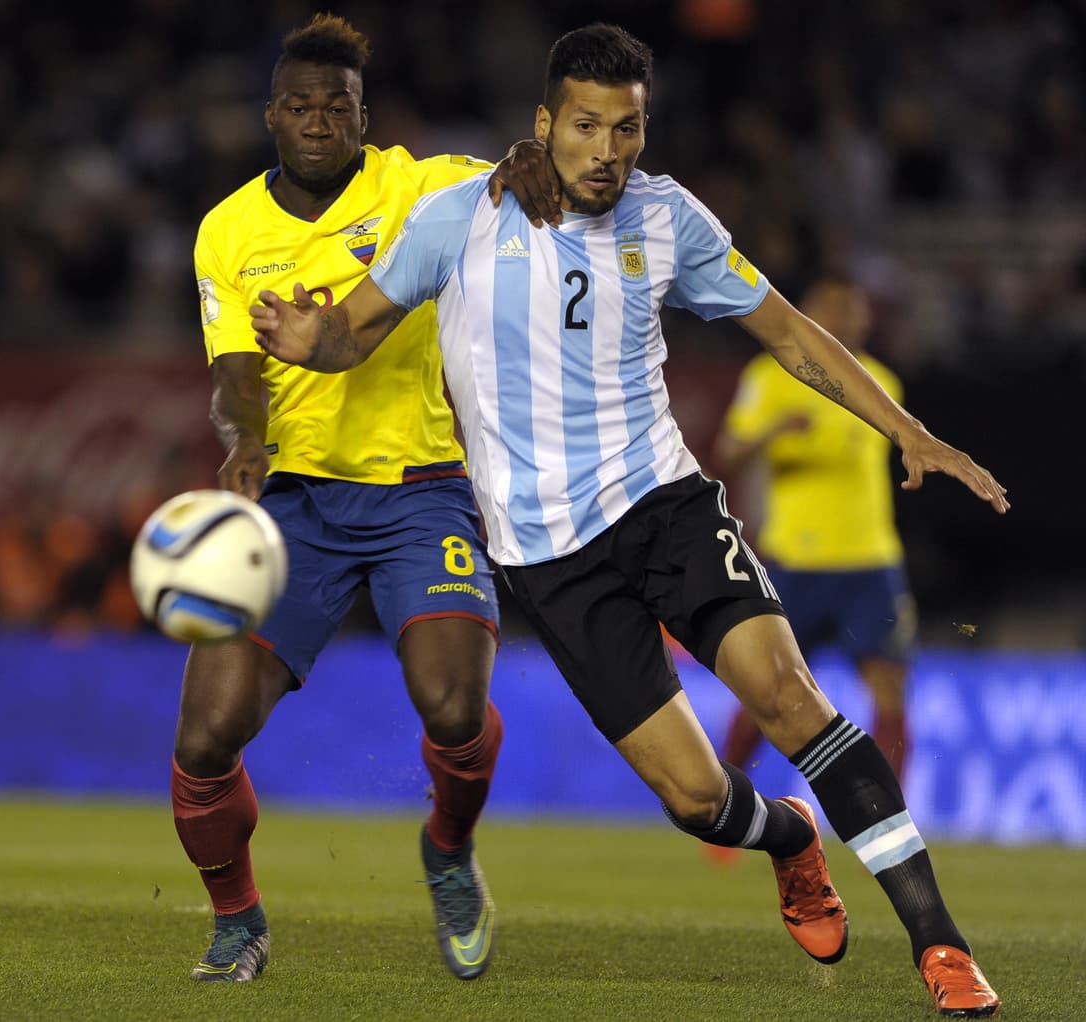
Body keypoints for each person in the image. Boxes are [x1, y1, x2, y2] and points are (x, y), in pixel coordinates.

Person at [252, 23, 1004, 1018]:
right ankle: (786, 837)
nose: (607, 149)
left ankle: (941, 947)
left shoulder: (668, 218)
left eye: (626, 128)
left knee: (788, 695)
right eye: (584, 126)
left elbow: (783, 329)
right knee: (697, 802)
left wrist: (907, 429)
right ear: (542, 125)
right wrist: (309, 339)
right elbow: (351, 330)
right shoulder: (456, 221)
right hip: (549, 561)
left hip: (665, 507)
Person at [174, 13, 558, 986]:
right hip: (294, 501)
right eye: (298, 106)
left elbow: (508, 173)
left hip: (417, 492)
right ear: (270, 116)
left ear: (361, 116)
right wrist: (246, 444)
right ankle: (235, 918)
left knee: (453, 704)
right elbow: (232, 371)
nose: (316, 122)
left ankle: (447, 851)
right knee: (205, 736)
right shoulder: (227, 229)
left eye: (334, 107)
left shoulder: (416, 184)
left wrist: (528, 159)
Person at [714, 276, 915, 789]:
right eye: (831, 306)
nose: (844, 318)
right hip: (794, 561)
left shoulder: (881, 383)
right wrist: (772, 432)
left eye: (853, 308)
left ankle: (893, 821)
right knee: (767, 693)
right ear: (803, 313)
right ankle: (724, 812)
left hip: (869, 560)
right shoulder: (769, 377)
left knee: (889, 691)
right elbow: (727, 454)